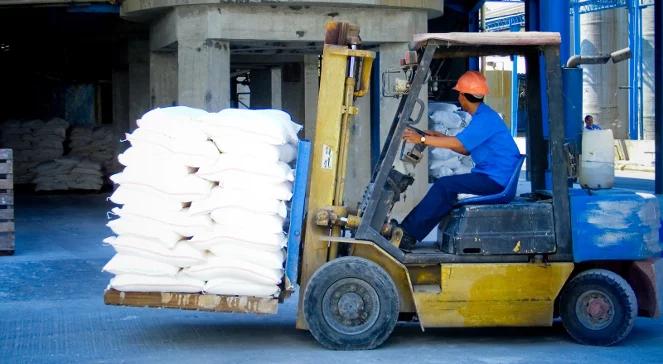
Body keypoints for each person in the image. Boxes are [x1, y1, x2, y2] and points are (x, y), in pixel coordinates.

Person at [398, 71, 521, 250]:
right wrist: (438, 136)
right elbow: (463, 148)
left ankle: (407, 234)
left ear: (463, 96)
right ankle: (409, 230)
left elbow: (457, 143)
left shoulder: (485, 119)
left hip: (496, 181)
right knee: (447, 187)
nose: (458, 97)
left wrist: (422, 140)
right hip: (493, 176)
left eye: (459, 93)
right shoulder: (483, 116)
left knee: (444, 186)